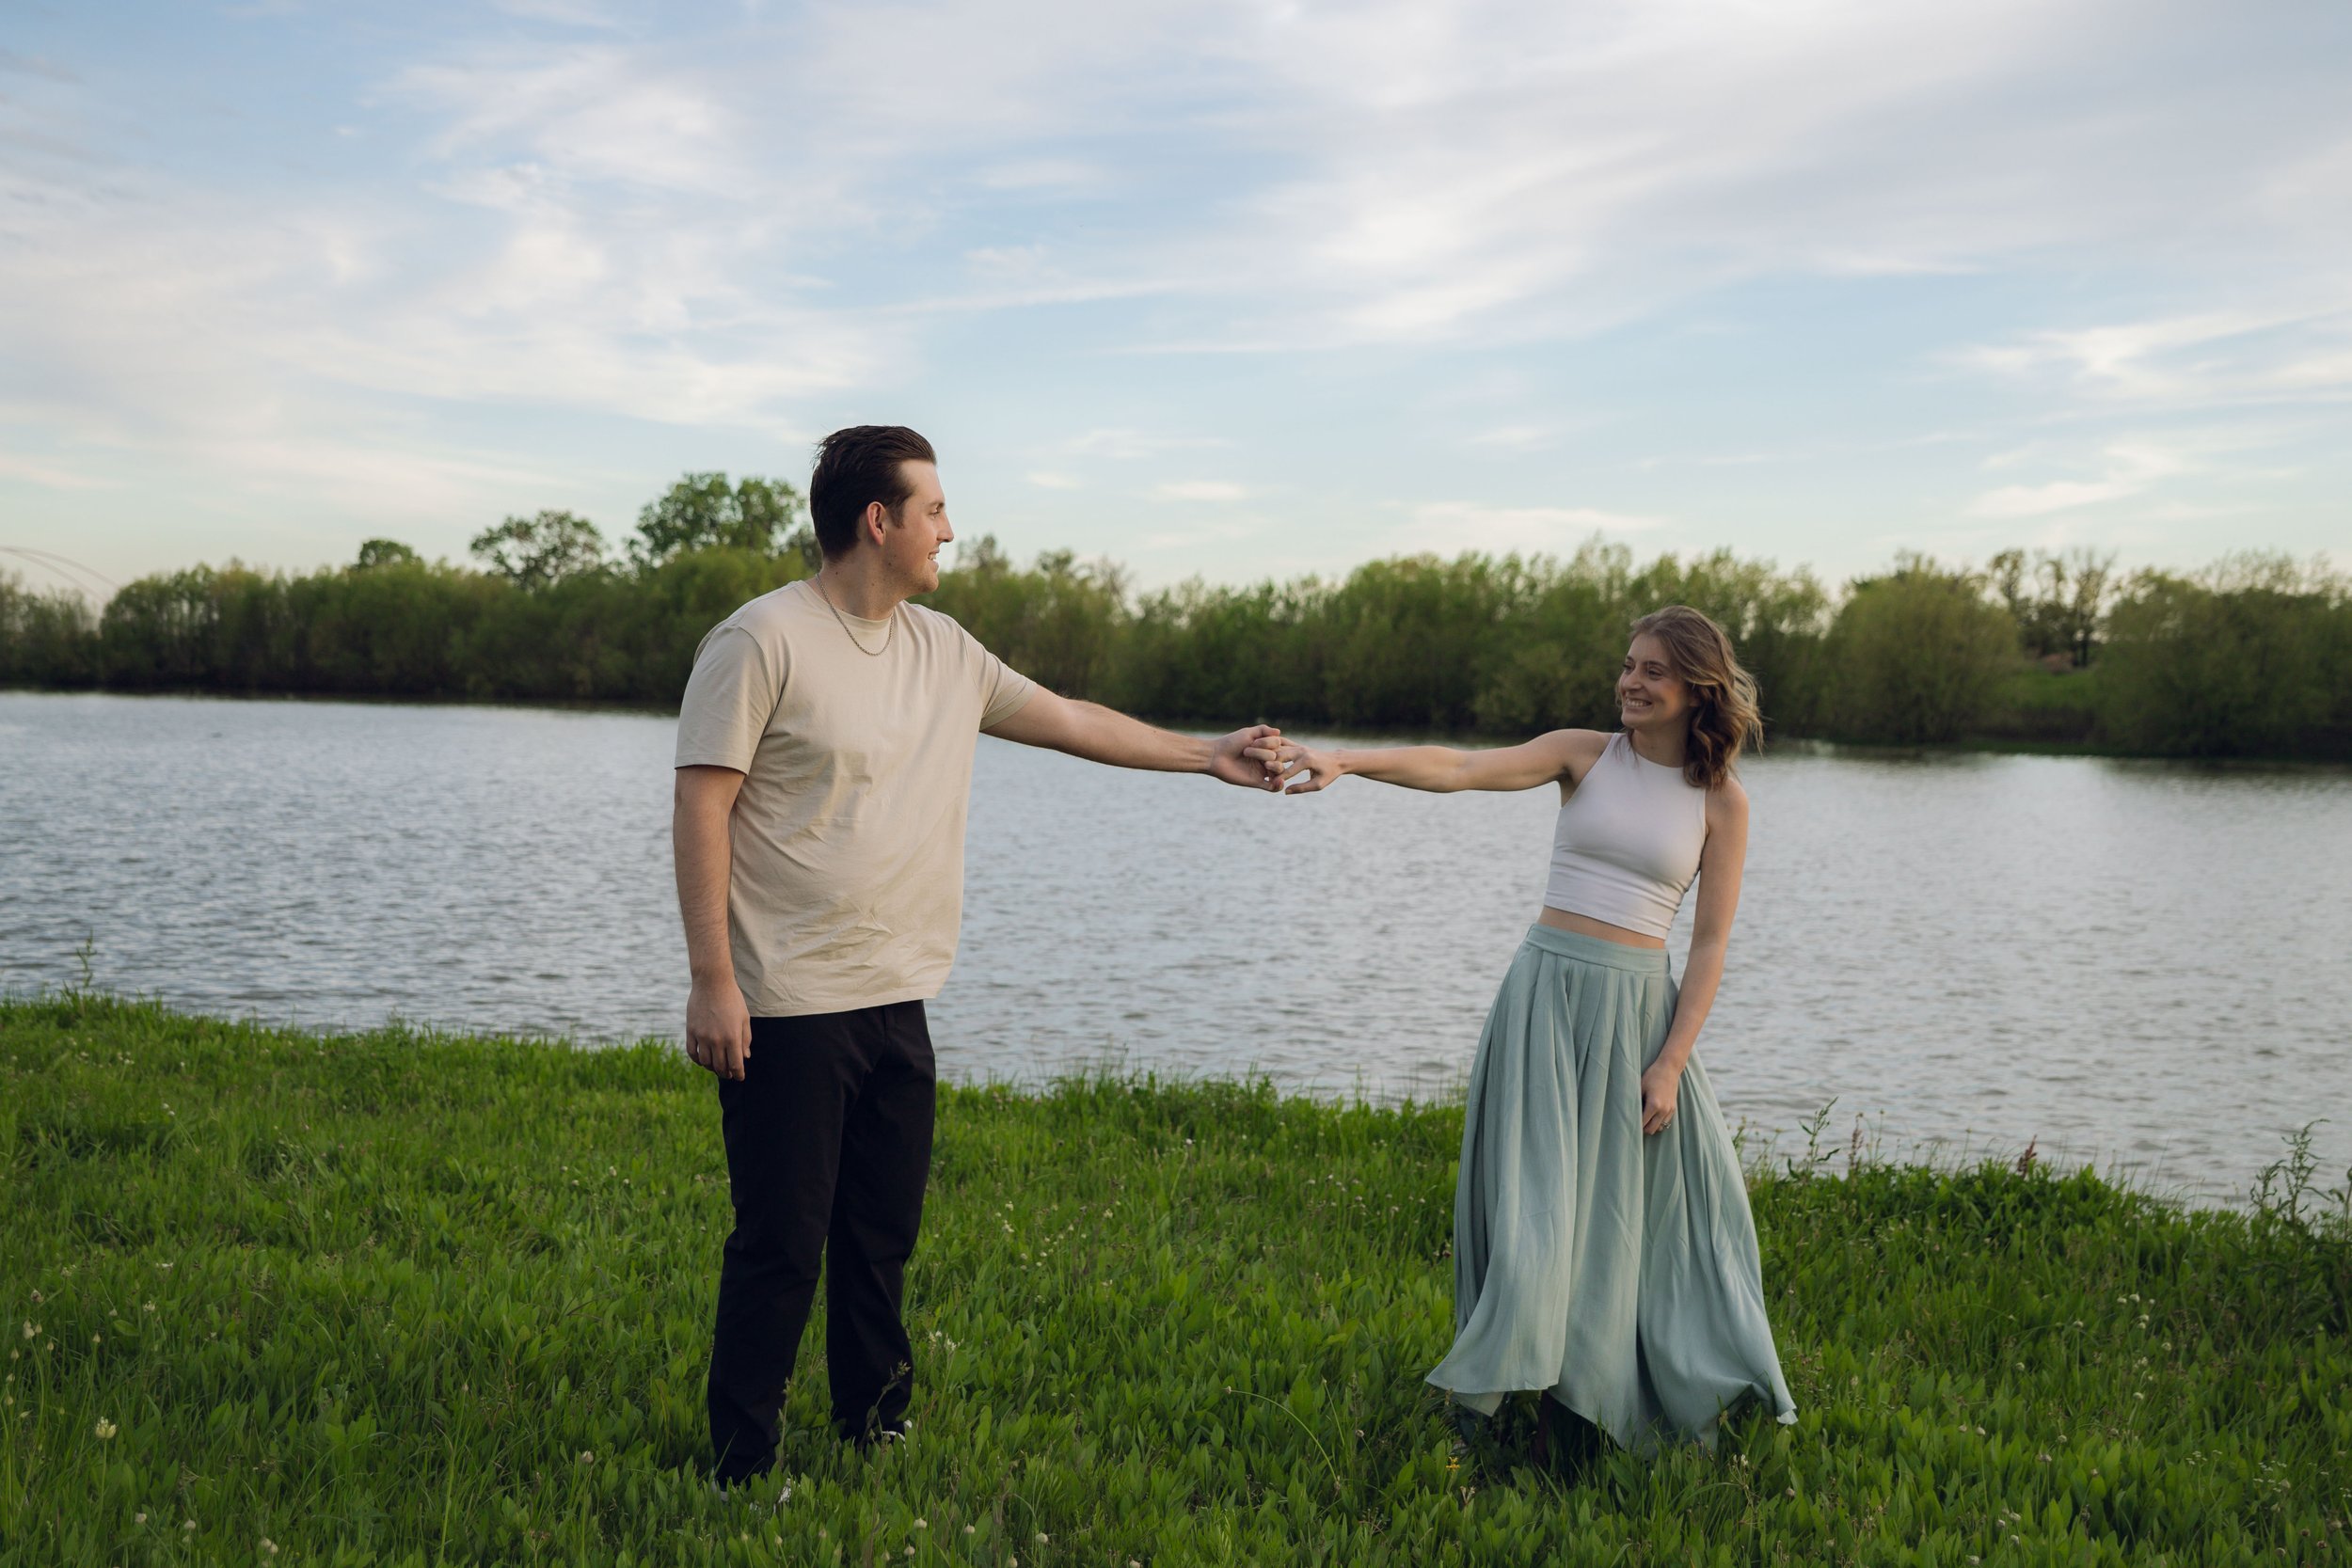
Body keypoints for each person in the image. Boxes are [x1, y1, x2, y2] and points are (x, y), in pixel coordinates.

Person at [672, 425, 1282, 1482]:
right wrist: (713, 980)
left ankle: (873, 1427)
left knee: (880, 1233)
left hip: (898, 994)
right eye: (936, 510)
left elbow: (1072, 720)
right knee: (781, 1242)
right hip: (787, 1001)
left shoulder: (945, 650)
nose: (949, 530)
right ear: (880, 521)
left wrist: (1206, 755)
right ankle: (740, 1462)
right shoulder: (761, 639)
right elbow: (701, 806)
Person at [1263, 606, 1796, 1457]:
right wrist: (1348, 761)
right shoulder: (1584, 754)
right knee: (1534, 1206)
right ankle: (1517, 1386)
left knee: (1628, 1218)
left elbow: (1709, 944)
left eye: (1652, 669)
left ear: (1699, 687)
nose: (1629, 681)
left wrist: (1670, 1061)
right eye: (1628, 664)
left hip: (1634, 1018)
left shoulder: (1722, 801)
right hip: (1545, 996)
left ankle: (1592, 1407)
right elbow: (1462, 767)